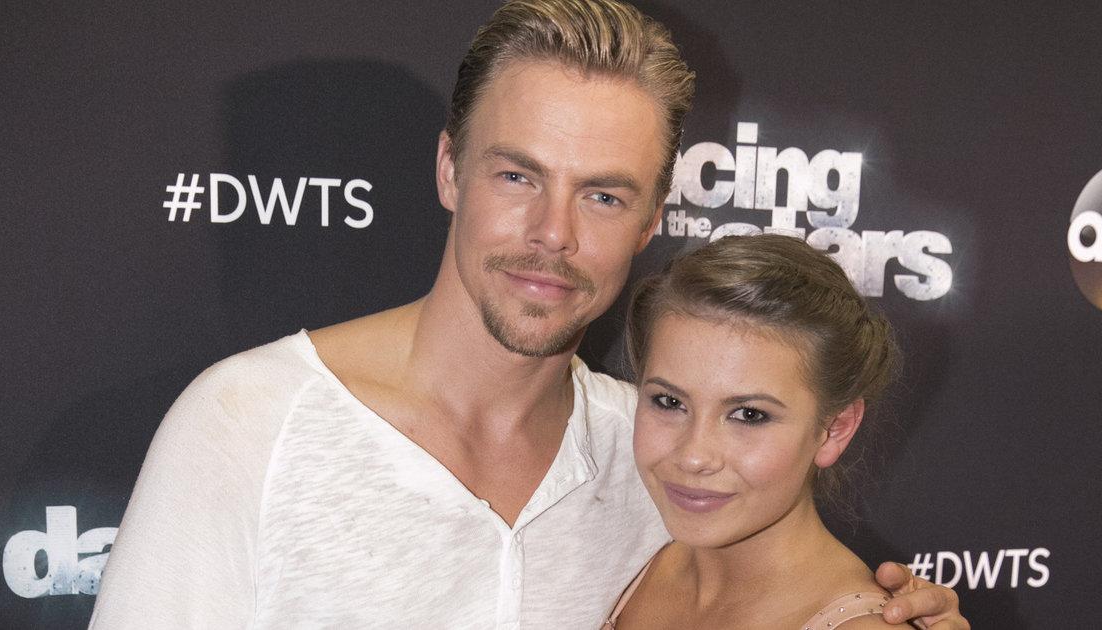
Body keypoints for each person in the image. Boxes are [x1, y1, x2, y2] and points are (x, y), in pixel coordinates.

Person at [90, 1, 968, 628]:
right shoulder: (249, 424)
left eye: (604, 195)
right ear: (449, 169)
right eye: (518, 176)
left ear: (652, 220)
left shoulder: (656, 459)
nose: (553, 234)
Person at [604, 233, 922, 629]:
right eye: (669, 402)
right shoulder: (626, 554)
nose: (693, 456)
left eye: (749, 415)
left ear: (834, 429)